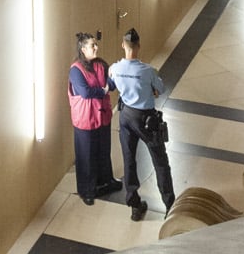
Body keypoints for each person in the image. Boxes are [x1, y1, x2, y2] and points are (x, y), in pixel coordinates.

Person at [107, 28, 175, 221]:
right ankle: (170, 206)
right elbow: (160, 89)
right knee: (160, 162)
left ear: (123, 45)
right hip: (146, 119)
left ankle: (134, 205)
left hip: (126, 116)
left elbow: (112, 81)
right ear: (139, 46)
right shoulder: (148, 71)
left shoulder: (115, 69)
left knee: (129, 160)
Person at [67, 33, 121, 204]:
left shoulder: (100, 65)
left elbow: (111, 83)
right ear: (83, 49)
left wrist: (109, 84)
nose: (96, 48)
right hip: (85, 120)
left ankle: (106, 181)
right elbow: (85, 92)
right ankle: (87, 190)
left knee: (104, 150)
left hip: (102, 116)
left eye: (96, 44)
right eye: (92, 45)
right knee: (86, 155)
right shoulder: (76, 70)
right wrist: (103, 90)